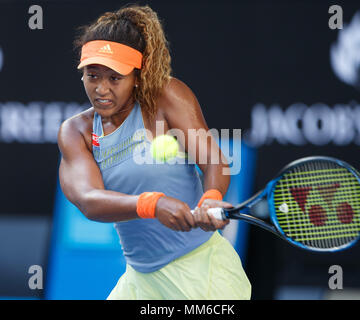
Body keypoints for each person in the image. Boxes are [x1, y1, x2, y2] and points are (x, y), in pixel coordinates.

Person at [58, 4, 251, 300]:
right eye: (93, 75)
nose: (101, 89)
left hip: (201, 273)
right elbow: (88, 200)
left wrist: (210, 198)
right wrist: (153, 204)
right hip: (140, 280)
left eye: (115, 77)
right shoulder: (76, 132)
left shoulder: (167, 96)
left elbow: (213, 160)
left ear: (137, 75)